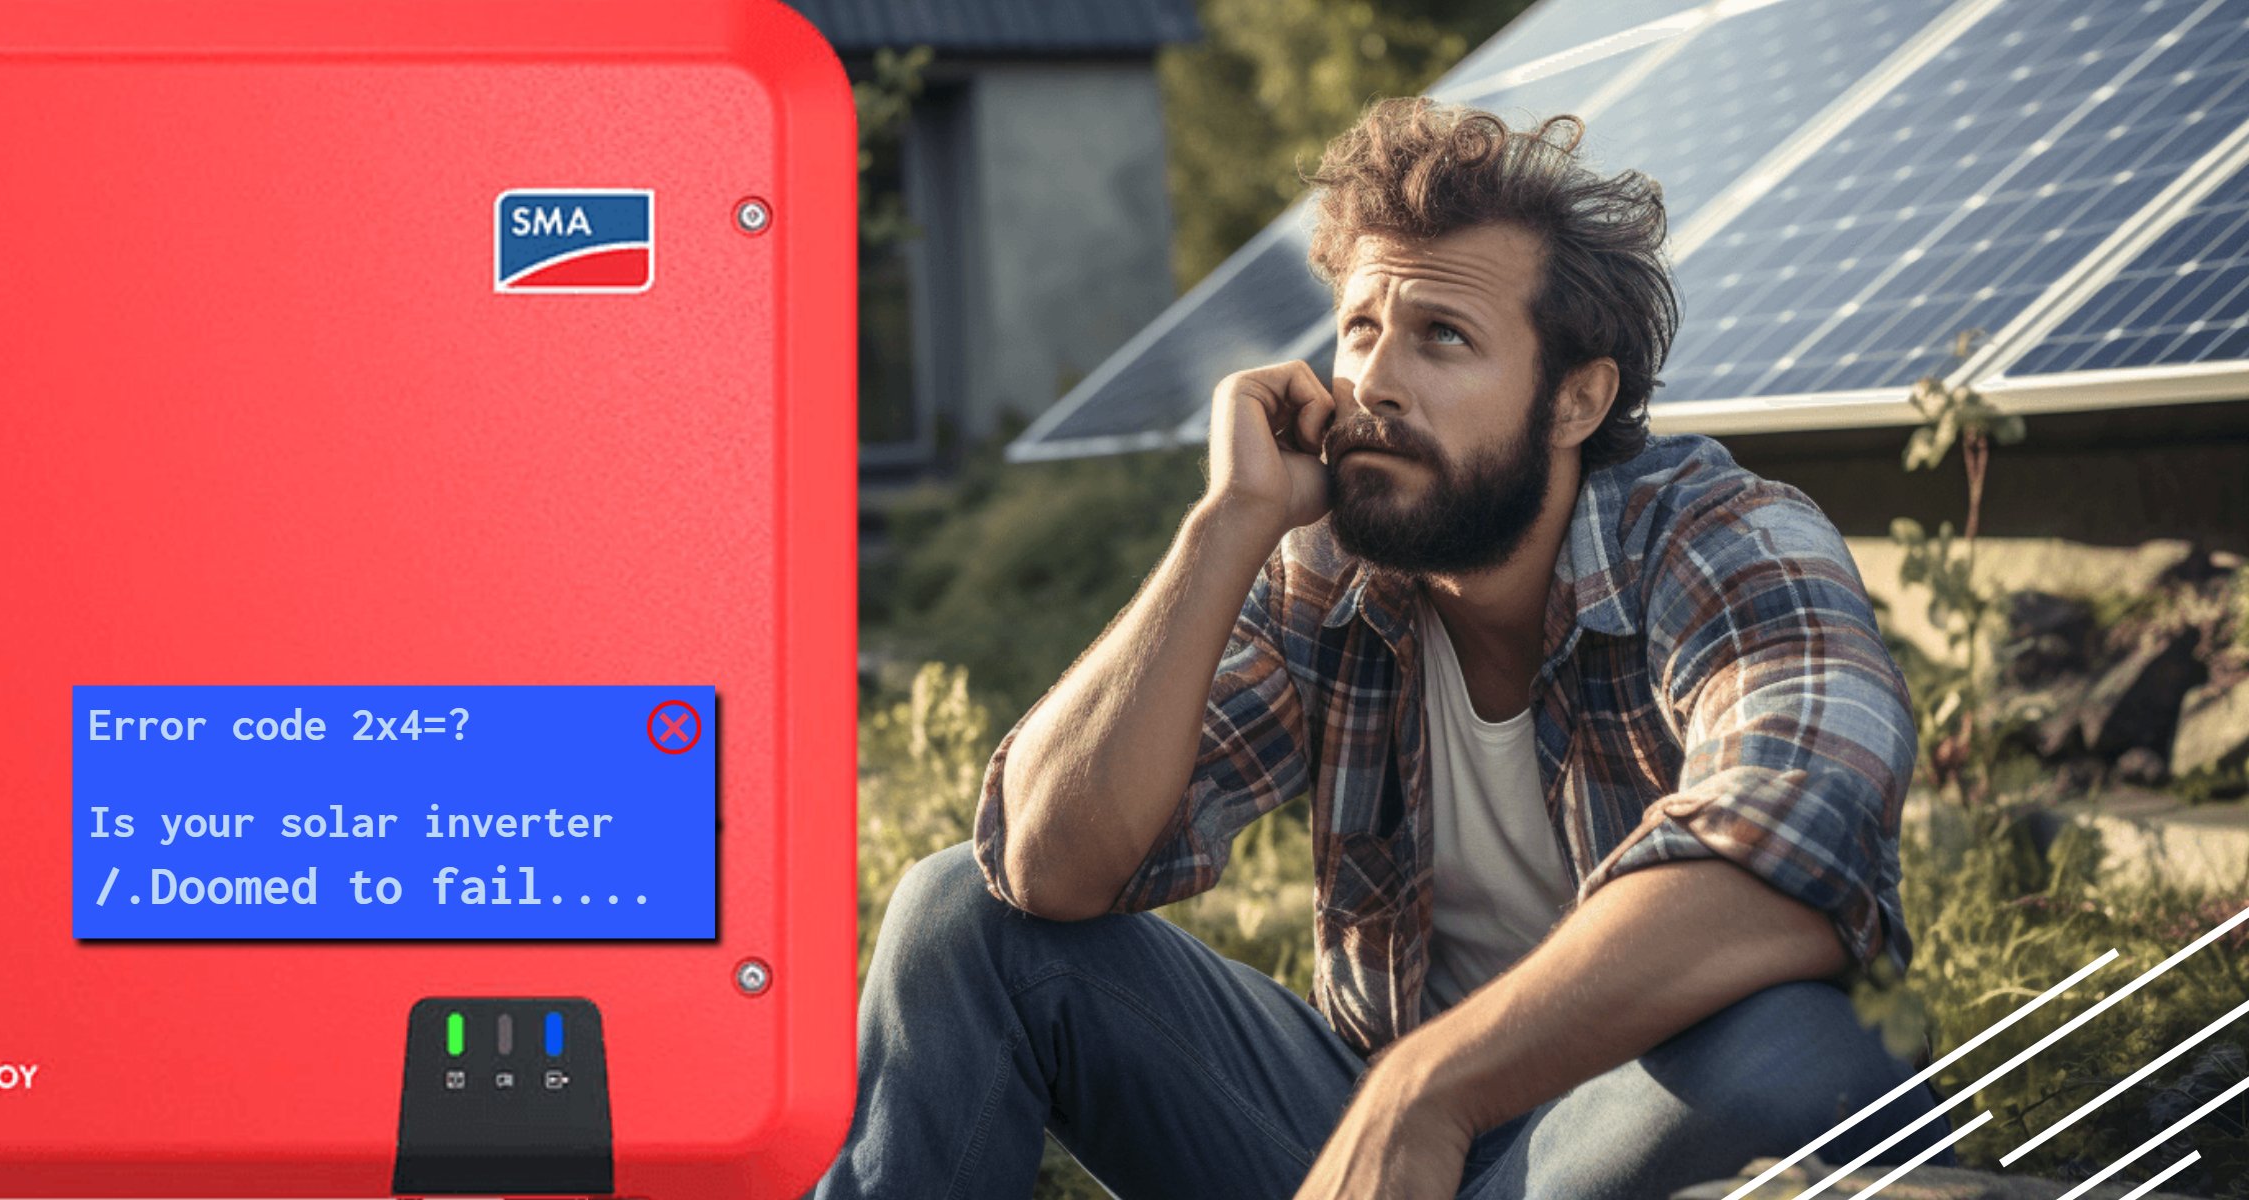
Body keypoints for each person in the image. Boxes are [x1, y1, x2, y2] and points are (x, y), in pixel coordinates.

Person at [812, 97, 1952, 1200]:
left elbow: (1787, 863)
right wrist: (1224, 531)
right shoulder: (1327, 566)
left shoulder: (1724, 539)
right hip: (1367, 1146)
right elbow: (1050, 869)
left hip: (1617, 1118)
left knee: (1809, 1050)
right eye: (1361, 329)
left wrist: (1429, 1089)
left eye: (1442, 338)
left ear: (1575, 399)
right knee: (966, 916)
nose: (1374, 385)